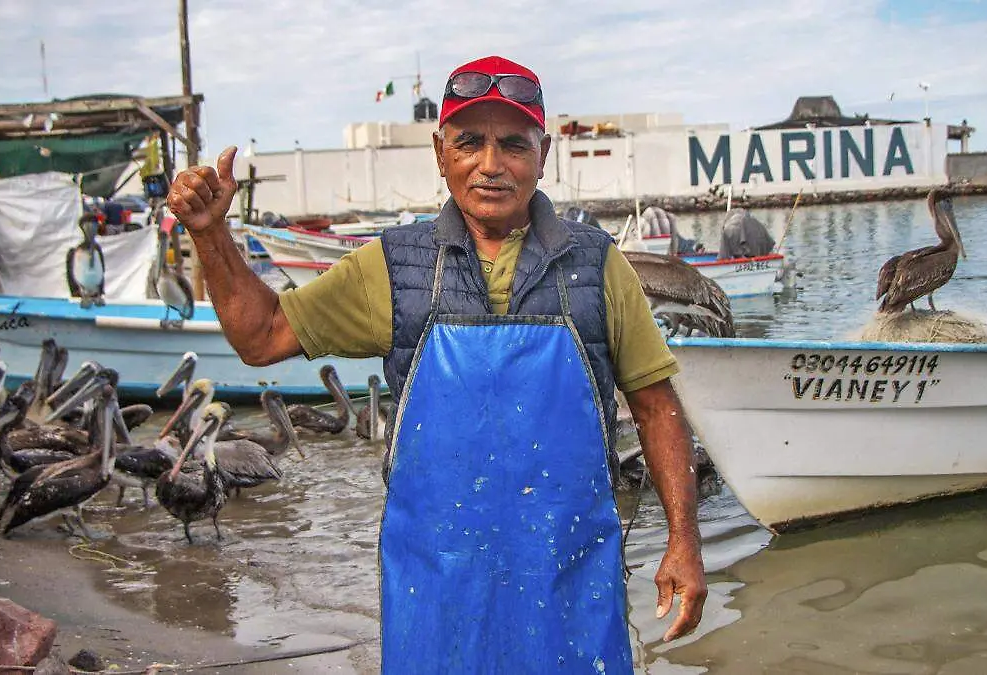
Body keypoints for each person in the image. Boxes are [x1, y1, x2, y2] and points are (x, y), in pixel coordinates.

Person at [168, 55, 707, 673]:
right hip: (435, 586)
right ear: (439, 151)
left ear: (543, 152)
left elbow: (657, 408)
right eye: (469, 142)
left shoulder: (599, 266)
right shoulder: (393, 266)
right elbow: (261, 336)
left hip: (571, 577)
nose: (491, 164)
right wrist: (211, 236)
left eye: (513, 144)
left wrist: (684, 542)